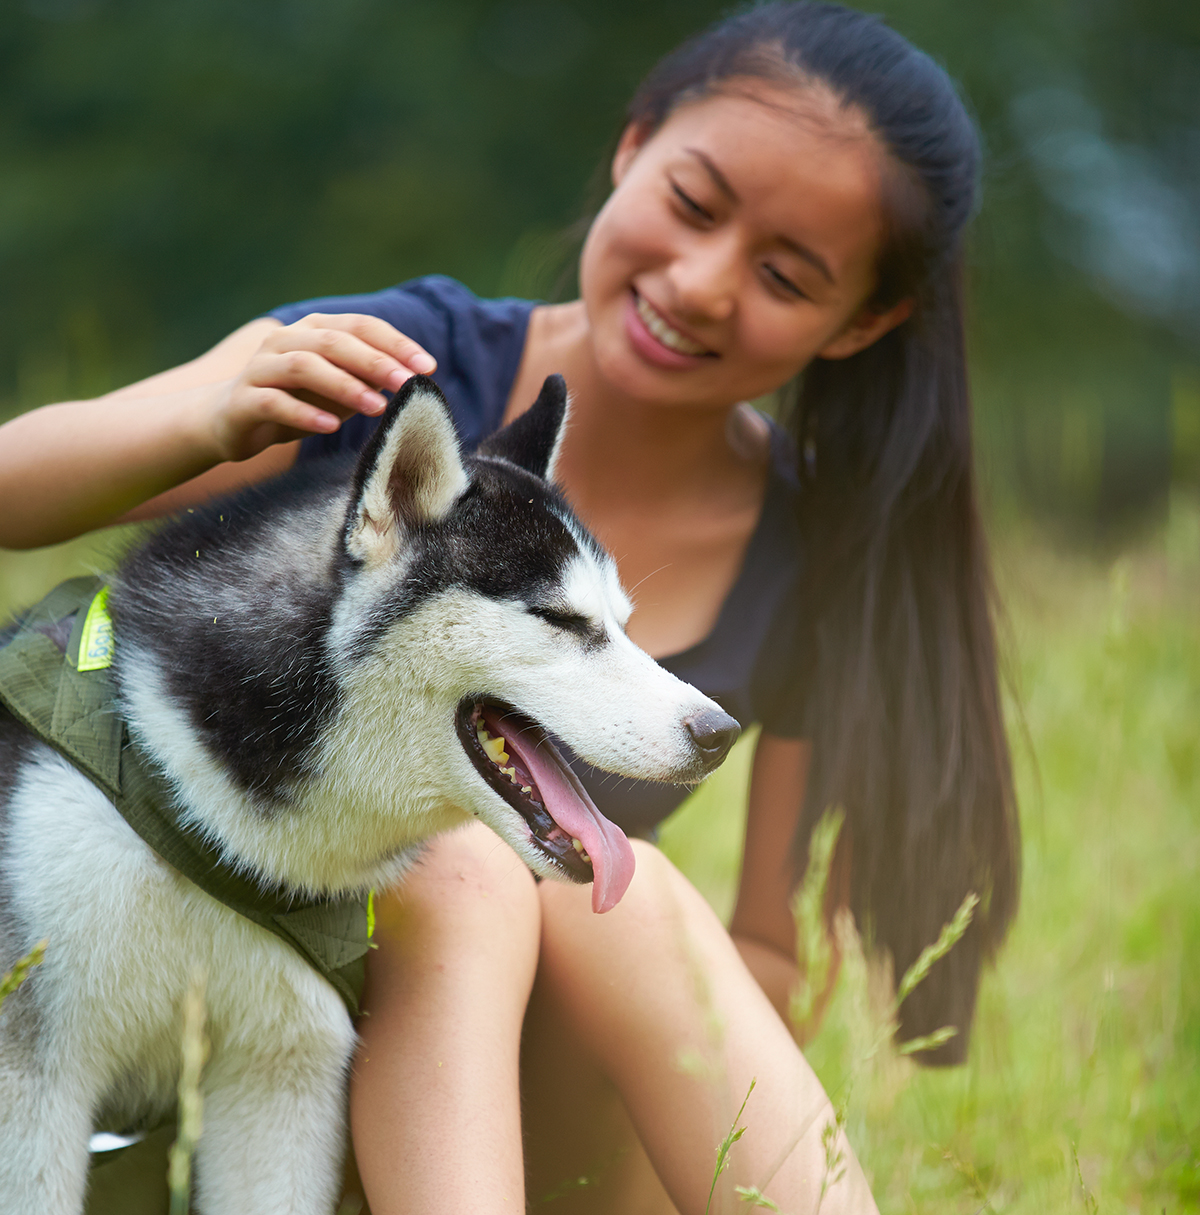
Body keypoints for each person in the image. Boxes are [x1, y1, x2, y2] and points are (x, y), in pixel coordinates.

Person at [0, 2, 1019, 1211]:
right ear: (632, 147)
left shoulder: (810, 551)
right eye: (694, 204)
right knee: (469, 866)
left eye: (784, 275)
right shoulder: (401, 362)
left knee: (622, 896)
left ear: (862, 321)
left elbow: (760, 955)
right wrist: (206, 415)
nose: (699, 283)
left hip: (522, 1093)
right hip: (240, 1010)